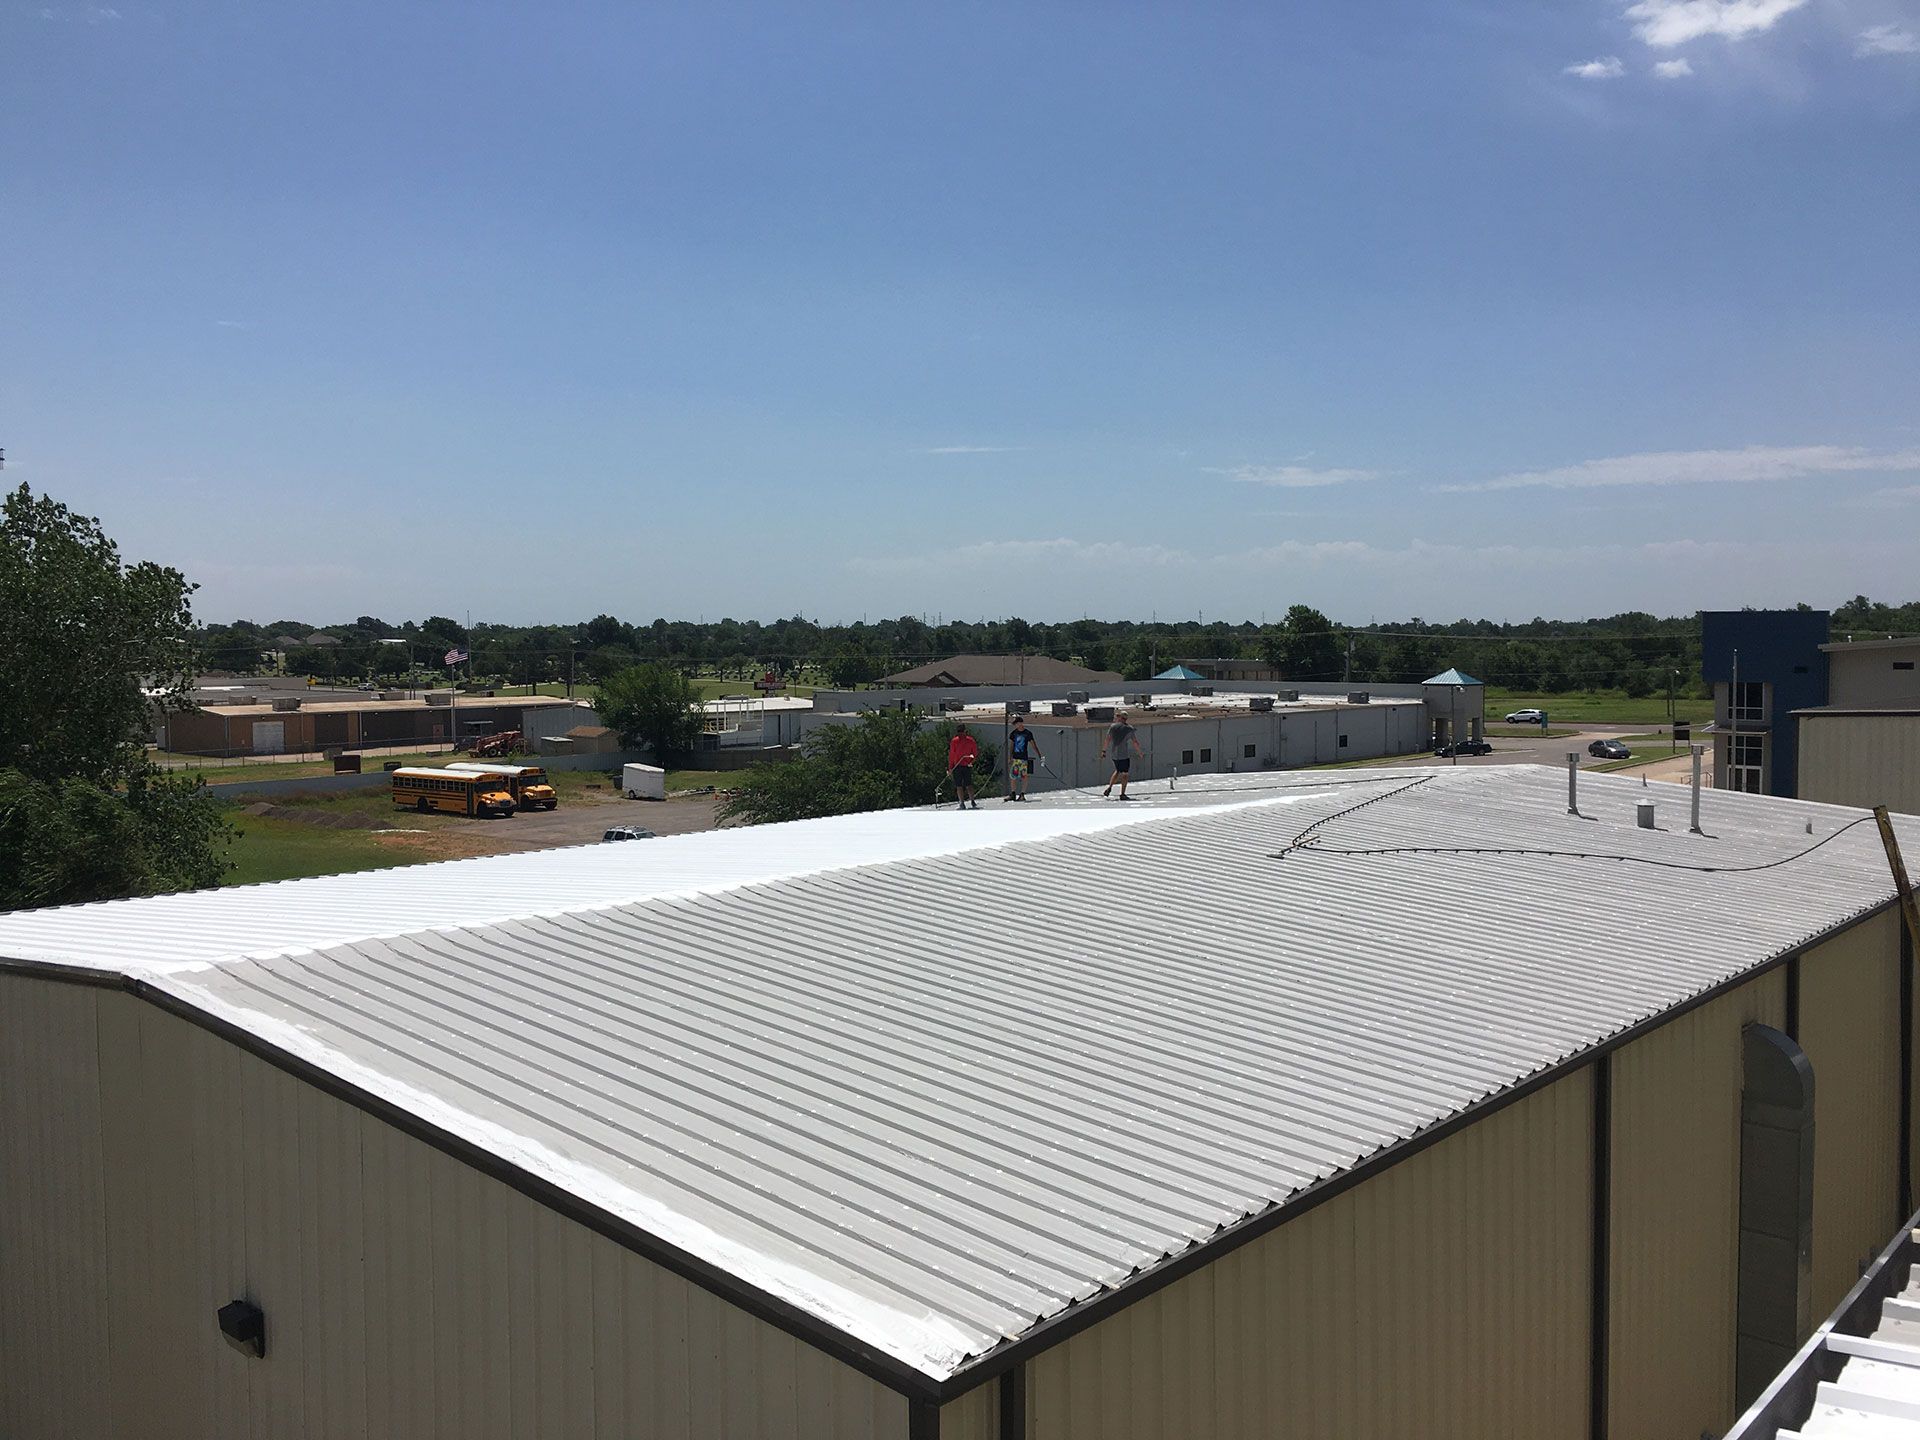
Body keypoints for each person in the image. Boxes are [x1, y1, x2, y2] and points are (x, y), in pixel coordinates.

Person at [1100, 711, 1144, 800]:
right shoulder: (1129, 728)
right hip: (1123, 755)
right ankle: (1122, 794)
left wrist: (1104, 751)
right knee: (1125, 774)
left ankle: (1110, 787)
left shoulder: (1113, 727)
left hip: (1114, 754)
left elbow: (1107, 740)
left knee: (1117, 770)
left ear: (1120, 717)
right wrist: (1139, 752)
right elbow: (1135, 742)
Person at [1003, 715, 1043, 802]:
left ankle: (1022, 794)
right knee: (1013, 776)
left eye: (1016, 723)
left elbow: (1033, 744)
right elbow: (1011, 746)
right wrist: (1010, 757)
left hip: (1023, 758)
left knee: (1024, 776)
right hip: (1015, 758)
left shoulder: (1027, 733)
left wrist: (1039, 755)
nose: (1015, 725)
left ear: (1021, 723)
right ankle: (1013, 793)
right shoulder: (1014, 733)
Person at [947, 724, 979, 809]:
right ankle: (962, 802)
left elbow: (975, 754)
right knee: (959, 785)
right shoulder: (954, 741)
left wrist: (971, 762)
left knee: (968, 784)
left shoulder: (970, 740)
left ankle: (972, 800)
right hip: (957, 765)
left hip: (966, 765)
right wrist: (950, 767)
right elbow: (951, 755)